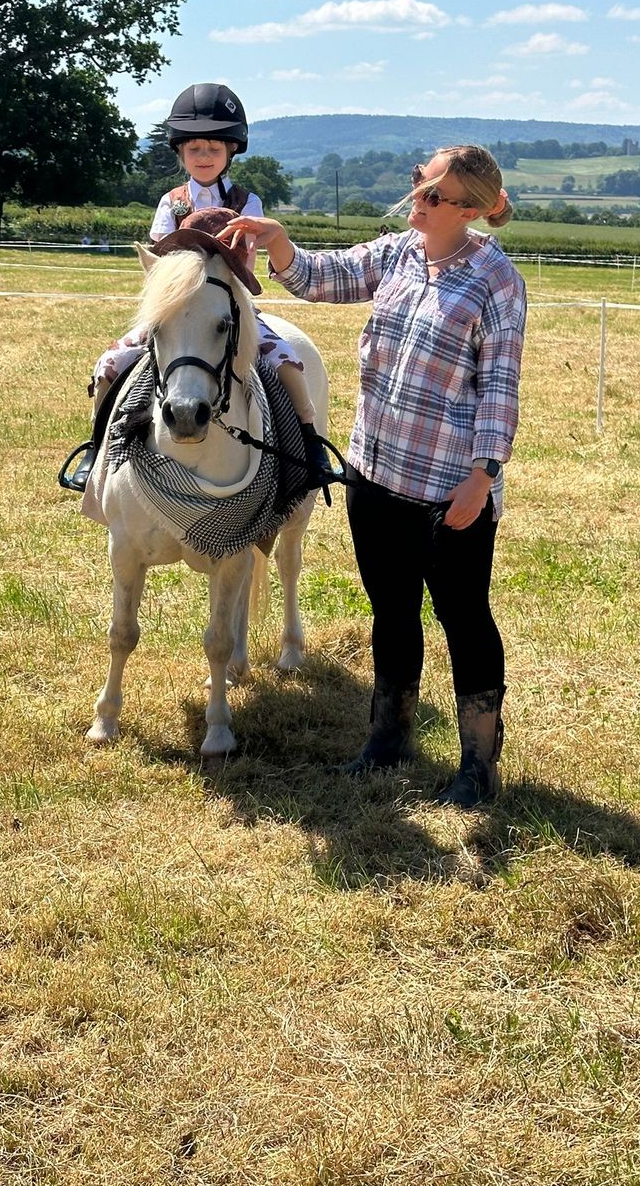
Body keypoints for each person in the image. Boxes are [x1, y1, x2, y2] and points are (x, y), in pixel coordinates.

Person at [219, 145, 526, 808]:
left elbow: (500, 389)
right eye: (419, 185)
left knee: (463, 618)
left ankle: (478, 766)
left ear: (470, 209)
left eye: (434, 196)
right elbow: (324, 277)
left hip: (450, 490)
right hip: (374, 472)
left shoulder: (496, 281)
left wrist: (483, 475)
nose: (417, 201)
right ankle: (388, 740)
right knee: (392, 611)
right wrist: (278, 244)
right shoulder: (398, 254)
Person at [62, 84, 341, 491]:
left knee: (286, 361)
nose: (204, 157)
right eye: (195, 150)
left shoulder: (249, 202)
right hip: (176, 309)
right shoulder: (169, 202)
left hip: (230, 305)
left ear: (230, 151)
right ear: (180, 153)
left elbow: (245, 261)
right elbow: (159, 264)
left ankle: (311, 442)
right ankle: (95, 448)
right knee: (110, 365)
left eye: (213, 149)